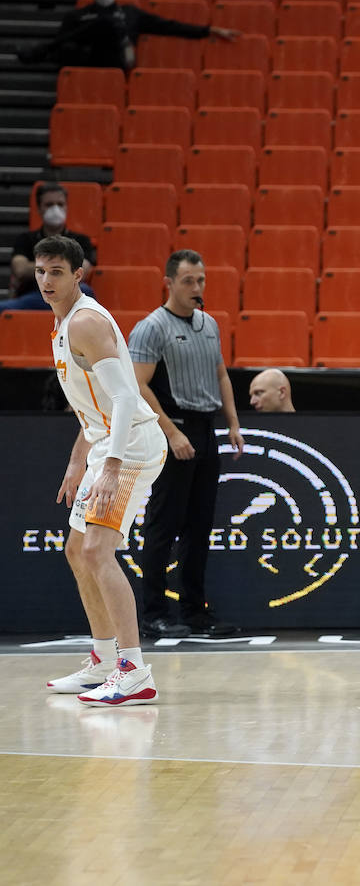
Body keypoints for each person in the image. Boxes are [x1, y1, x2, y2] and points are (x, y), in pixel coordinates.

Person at [36, 235, 168, 706]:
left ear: (78, 275)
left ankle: (134, 671)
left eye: (56, 272)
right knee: (77, 550)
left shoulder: (86, 323)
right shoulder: (62, 324)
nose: (47, 281)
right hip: (105, 444)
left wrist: (110, 463)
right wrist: (78, 462)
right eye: (41, 271)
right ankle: (103, 662)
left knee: (96, 551)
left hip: (129, 447)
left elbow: (126, 398)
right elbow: (91, 409)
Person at [128, 250, 244, 638]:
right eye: (189, 281)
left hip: (205, 429)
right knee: (163, 525)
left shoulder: (209, 323)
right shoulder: (151, 328)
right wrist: (171, 433)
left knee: (200, 526)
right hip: (171, 429)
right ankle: (153, 613)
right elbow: (137, 386)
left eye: (202, 280)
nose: (197, 288)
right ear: (170, 283)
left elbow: (221, 375)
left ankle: (195, 611)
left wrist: (233, 423)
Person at [19, 0, 239, 71]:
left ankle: (38, 52)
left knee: (112, 23)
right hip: (88, 65)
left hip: (119, 64)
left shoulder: (130, 13)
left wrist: (209, 30)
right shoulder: (76, 16)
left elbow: (169, 26)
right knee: (102, 24)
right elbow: (64, 49)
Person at [4, 183, 96, 311]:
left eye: (60, 204)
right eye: (49, 204)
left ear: (66, 207)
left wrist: (39, 268)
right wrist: (62, 268)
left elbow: (83, 270)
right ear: (39, 208)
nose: (55, 209)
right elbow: (20, 269)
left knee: (86, 291)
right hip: (34, 296)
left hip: (68, 296)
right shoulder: (25, 239)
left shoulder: (81, 240)